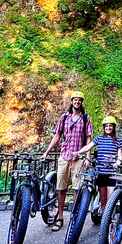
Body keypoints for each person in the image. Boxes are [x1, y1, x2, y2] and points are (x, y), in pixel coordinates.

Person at [41, 91, 93, 232]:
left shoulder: (85, 118)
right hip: (64, 156)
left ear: (82, 102)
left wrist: (88, 156)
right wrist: (47, 152)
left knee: (77, 189)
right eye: (75, 100)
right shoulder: (64, 117)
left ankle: (75, 216)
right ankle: (60, 217)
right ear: (71, 101)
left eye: (79, 100)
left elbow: (89, 139)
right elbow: (57, 136)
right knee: (61, 188)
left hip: (79, 158)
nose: (77, 102)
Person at [73, 115, 122, 213]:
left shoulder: (119, 140)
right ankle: (104, 223)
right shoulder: (99, 138)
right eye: (106, 126)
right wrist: (78, 152)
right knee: (103, 199)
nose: (108, 128)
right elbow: (88, 147)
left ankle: (110, 219)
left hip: (112, 173)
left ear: (113, 127)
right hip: (101, 173)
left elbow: (120, 154)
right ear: (104, 127)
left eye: (110, 126)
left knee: (110, 200)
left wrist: (118, 162)